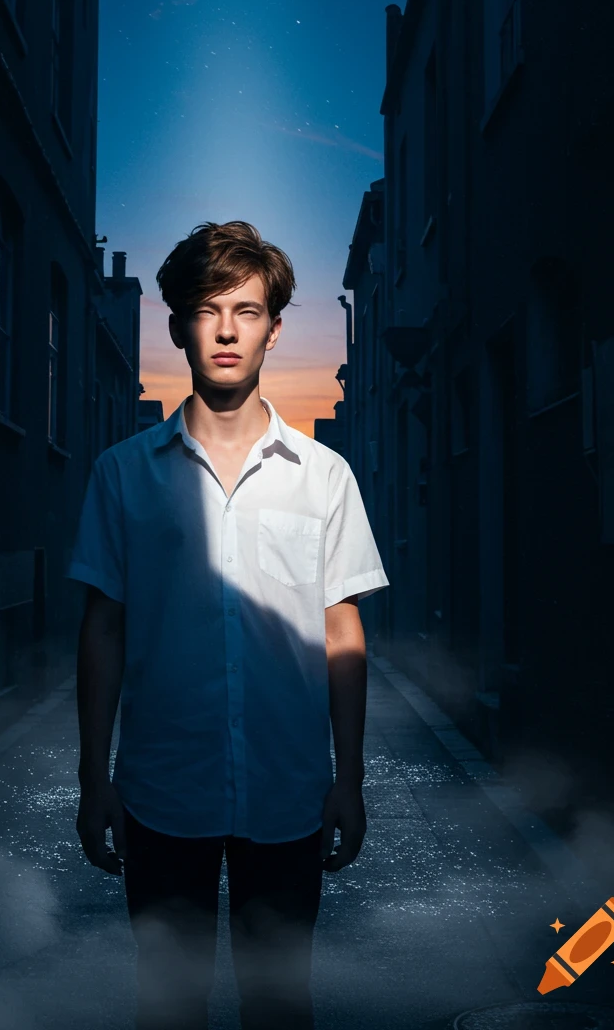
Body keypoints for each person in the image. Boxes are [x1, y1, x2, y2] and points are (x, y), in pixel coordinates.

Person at [68, 220, 389, 1030]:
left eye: (246, 311)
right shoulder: (121, 475)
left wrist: (347, 777)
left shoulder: (325, 477)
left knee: (282, 1006)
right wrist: (92, 777)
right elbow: (101, 630)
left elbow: (342, 630)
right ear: (177, 323)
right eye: (207, 309)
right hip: (159, 792)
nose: (225, 329)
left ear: (274, 329)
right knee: (166, 1007)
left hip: (287, 793)